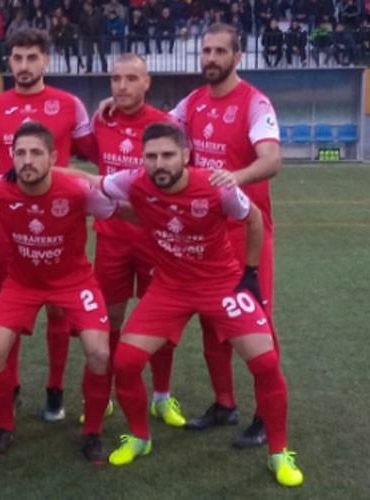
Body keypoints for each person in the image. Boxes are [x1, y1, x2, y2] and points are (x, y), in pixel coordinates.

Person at [75, 121, 303, 487]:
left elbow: (253, 218)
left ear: (185, 155)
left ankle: (279, 453)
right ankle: (139, 437)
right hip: (170, 287)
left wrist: (250, 273)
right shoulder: (133, 182)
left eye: (167, 155)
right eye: (151, 156)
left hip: (221, 283)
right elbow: (85, 179)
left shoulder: (215, 187)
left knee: (265, 362)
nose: (159, 163)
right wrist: (28, 171)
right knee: (126, 361)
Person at [99, 23, 283, 449]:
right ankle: (224, 403)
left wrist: (227, 182)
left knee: (257, 325)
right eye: (205, 51)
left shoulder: (255, 102)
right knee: (209, 323)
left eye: (220, 51)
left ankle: (262, 414)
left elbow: (271, 159)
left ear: (237, 57)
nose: (210, 59)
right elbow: (159, 129)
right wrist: (121, 98)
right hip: (207, 230)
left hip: (247, 229)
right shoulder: (193, 102)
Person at [0, 122, 116, 462]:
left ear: (53, 157)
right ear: (11, 157)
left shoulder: (78, 191)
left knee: (99, 353)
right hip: (22, 284)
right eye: (20, 153)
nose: (27, 160)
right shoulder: (0, 189)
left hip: (75, 281)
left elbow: (117, 210)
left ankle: (92, 433)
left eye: (36, 153)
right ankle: (4, 428)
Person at [0, 28, 98, 423]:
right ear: (9, 61)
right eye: (17, 58)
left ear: (45, 60)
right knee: (7, 312)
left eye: (32, 58)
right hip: (11, 228)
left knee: (59, 315)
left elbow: (93, 155)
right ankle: (8, 386)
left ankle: (55, 388)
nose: (24, 66)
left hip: (60, 226)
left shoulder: (69, 105)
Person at [92, 53, 185, 429]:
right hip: (111, 238)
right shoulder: (99, 120)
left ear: (147, 82)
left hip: (155, 240)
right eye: (116, 79)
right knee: (110, 317)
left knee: (159, 319)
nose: (122, 86)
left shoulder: (167, 125)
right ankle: (107, 391)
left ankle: (161, 395)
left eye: (131, 78)